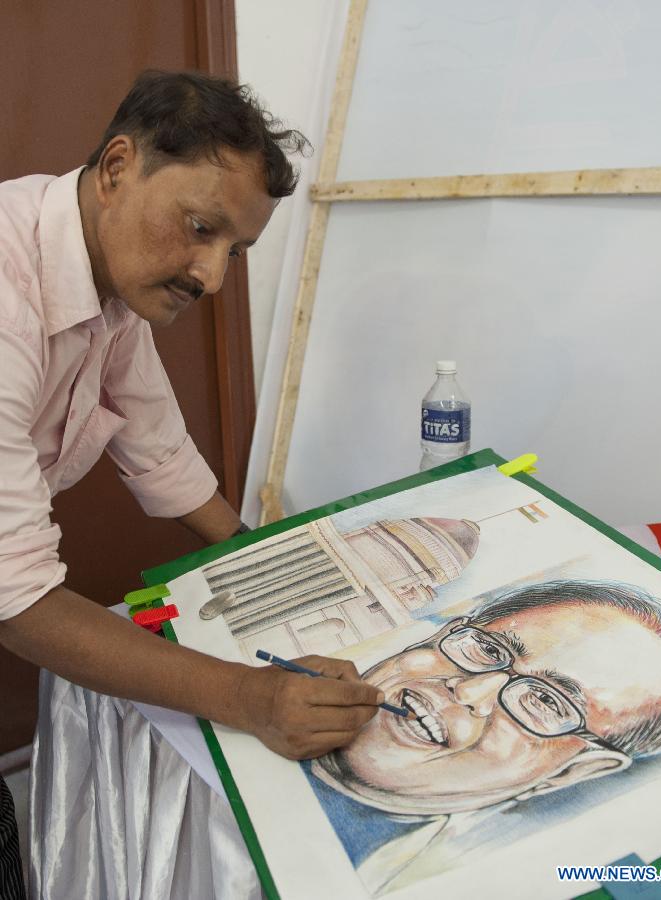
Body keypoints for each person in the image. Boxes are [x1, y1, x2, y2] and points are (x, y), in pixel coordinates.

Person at [0, 70, 383, 897]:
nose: (211, 277)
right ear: (116, 168)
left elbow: (159, 452)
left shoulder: (106, 276)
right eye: (200, 227)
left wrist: (287, 570)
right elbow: (21, 605)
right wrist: (253, 698)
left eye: (235, 251)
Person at [307, 580, 661, 893]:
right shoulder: (276, 689)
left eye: (545, 702)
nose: (469, 692)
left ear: (574, 771)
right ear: (439, 635)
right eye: (487, 648)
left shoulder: (552, 875)